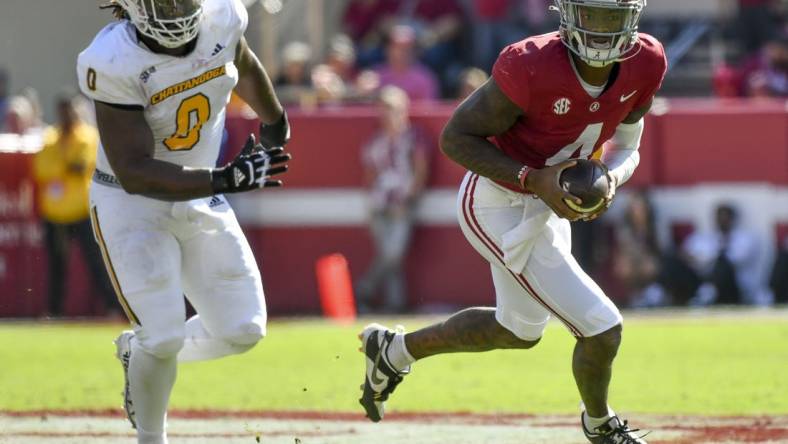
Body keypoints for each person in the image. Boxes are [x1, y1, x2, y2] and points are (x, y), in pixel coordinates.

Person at [358, 1, 666, 443]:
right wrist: (531, 178)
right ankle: (600, 426)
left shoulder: (645, 61)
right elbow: (455, 138)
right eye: (591, 15)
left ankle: (393, 351)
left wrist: (610, 179)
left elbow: (628, 146)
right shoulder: (531, 63)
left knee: (518, 330)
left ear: (632, 19)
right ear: (568, 13)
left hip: (546, 202)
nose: (600, 32)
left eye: (611, 18)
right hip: (496, 199)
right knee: (602, 326)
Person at [77, 1, 291, 443]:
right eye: (164, 0)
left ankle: (138, 356)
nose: (177, 9)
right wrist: (223, 177)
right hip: (129, 203)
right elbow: (135, 171)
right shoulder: (113, 60)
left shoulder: (223, 18)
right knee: (162, 334)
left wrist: (275, 123)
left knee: (243, 329)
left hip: (200, 192)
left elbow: (244, 64)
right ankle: (151, 435)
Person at [32, 91, 119, 317]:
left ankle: (112, 308)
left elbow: (82, 165)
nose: (66, 114)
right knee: (57, 265)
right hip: (55, 213)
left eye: (69, 109)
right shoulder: (50, 137)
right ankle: (54, 312)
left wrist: (61, 166)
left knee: (97, 262)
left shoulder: (87, 136)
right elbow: (41, 169)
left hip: (81, 211)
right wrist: (65, 166)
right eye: (62, 110)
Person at [354, 86, 429, 313]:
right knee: (390, 258)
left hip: (402, 201)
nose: (387, 114)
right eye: (384, 109)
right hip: (379, 203)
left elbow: (420, 169)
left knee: (392, 254)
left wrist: (408, 199)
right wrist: (369, 201)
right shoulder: (376, 141)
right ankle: (395, 304)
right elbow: (370, 175)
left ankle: (364, 288)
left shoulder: (414, 136)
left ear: (403, 110)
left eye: (392, 109)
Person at [682, 204, 768, 306]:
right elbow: (685, 254)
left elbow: (735, 260)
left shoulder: (746, 238)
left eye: (726, 217)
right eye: (719, 217)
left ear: (733, 219)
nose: (722, 220)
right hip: (703, 280)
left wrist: (704, 259)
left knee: (723, 264)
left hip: (736, 287)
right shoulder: (703, 237)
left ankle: (706, 295)